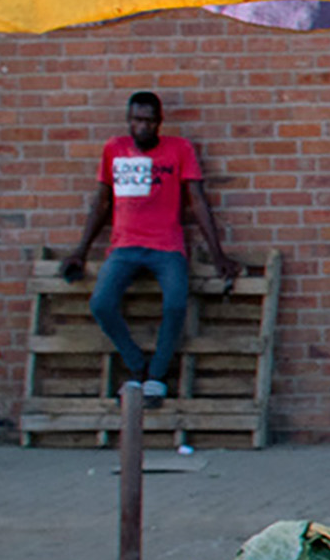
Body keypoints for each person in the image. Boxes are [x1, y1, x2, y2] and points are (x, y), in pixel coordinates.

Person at [57, 92, 237, 400]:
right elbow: (102, 202)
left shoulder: (179, 149)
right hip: (125, 246)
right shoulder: (114, 150)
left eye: (149, 121)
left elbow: (198, 201)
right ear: (128, 120)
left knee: (176, 304)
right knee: (101, 303)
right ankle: (136, 365)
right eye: (137, 120)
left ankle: (156, 375)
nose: (143, 127)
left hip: (166, 246)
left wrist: (218, 253)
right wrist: (80, 251)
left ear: (159, 122)